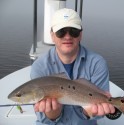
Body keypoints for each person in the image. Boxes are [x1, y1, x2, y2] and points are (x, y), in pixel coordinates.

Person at [30, 8, 115, 125]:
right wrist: (53, 113)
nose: (68, 36)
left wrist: (90, 111)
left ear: (80, 35)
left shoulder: (97, 63)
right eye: (61, 32)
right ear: (52, 35)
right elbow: (43, 119)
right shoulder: (39, 66)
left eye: (73, 31)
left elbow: (98, 115)